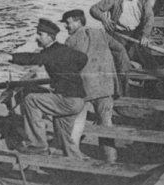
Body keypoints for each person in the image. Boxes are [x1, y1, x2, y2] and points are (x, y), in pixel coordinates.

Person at [9, 18, 88, 157]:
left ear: (50, 37)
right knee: (63, 136)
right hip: (79, 100)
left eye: (40, 34)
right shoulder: (63, 49)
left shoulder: (50, 53)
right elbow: (82, 58)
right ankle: (77, 161)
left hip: (68, 101)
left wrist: (10, 57)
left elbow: (32, 59)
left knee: (30, 99)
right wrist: (65, 76)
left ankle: (38, 146)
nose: (37, 38)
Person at [61, 9, 128, 163]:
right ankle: (110, 160)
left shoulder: (71, 41)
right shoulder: (101, 33)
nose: (66, 26)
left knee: (76, 122)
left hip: (83, 88)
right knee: (106, 125)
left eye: (68, 23)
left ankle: (72, 159)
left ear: (78, 22)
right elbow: (120, 50)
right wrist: (118, 76)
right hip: (105, 86)